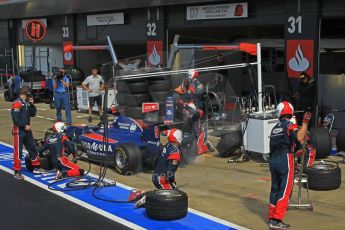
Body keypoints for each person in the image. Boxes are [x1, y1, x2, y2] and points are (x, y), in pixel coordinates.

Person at [268, 101, 311, 229]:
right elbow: (299, 137)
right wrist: (305, 123)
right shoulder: (290, 125)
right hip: (285, 160)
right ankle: (276, 220)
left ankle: (272, 216)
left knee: (275, 189)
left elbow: (280, 143)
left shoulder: (275, 127)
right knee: (285, 190)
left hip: (273, 160)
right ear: (291, 112)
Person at [11, 86, 43, 179]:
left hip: (27, 130)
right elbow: (15, 119)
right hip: (19, 131)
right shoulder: (17, 103)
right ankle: (17, 171)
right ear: (26, 93)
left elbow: (33, 114)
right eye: (29, 93)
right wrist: (24, 126)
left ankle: (36, 167)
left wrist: (32, 105)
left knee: (32, 148)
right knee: (18, 151)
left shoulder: (27, 103)